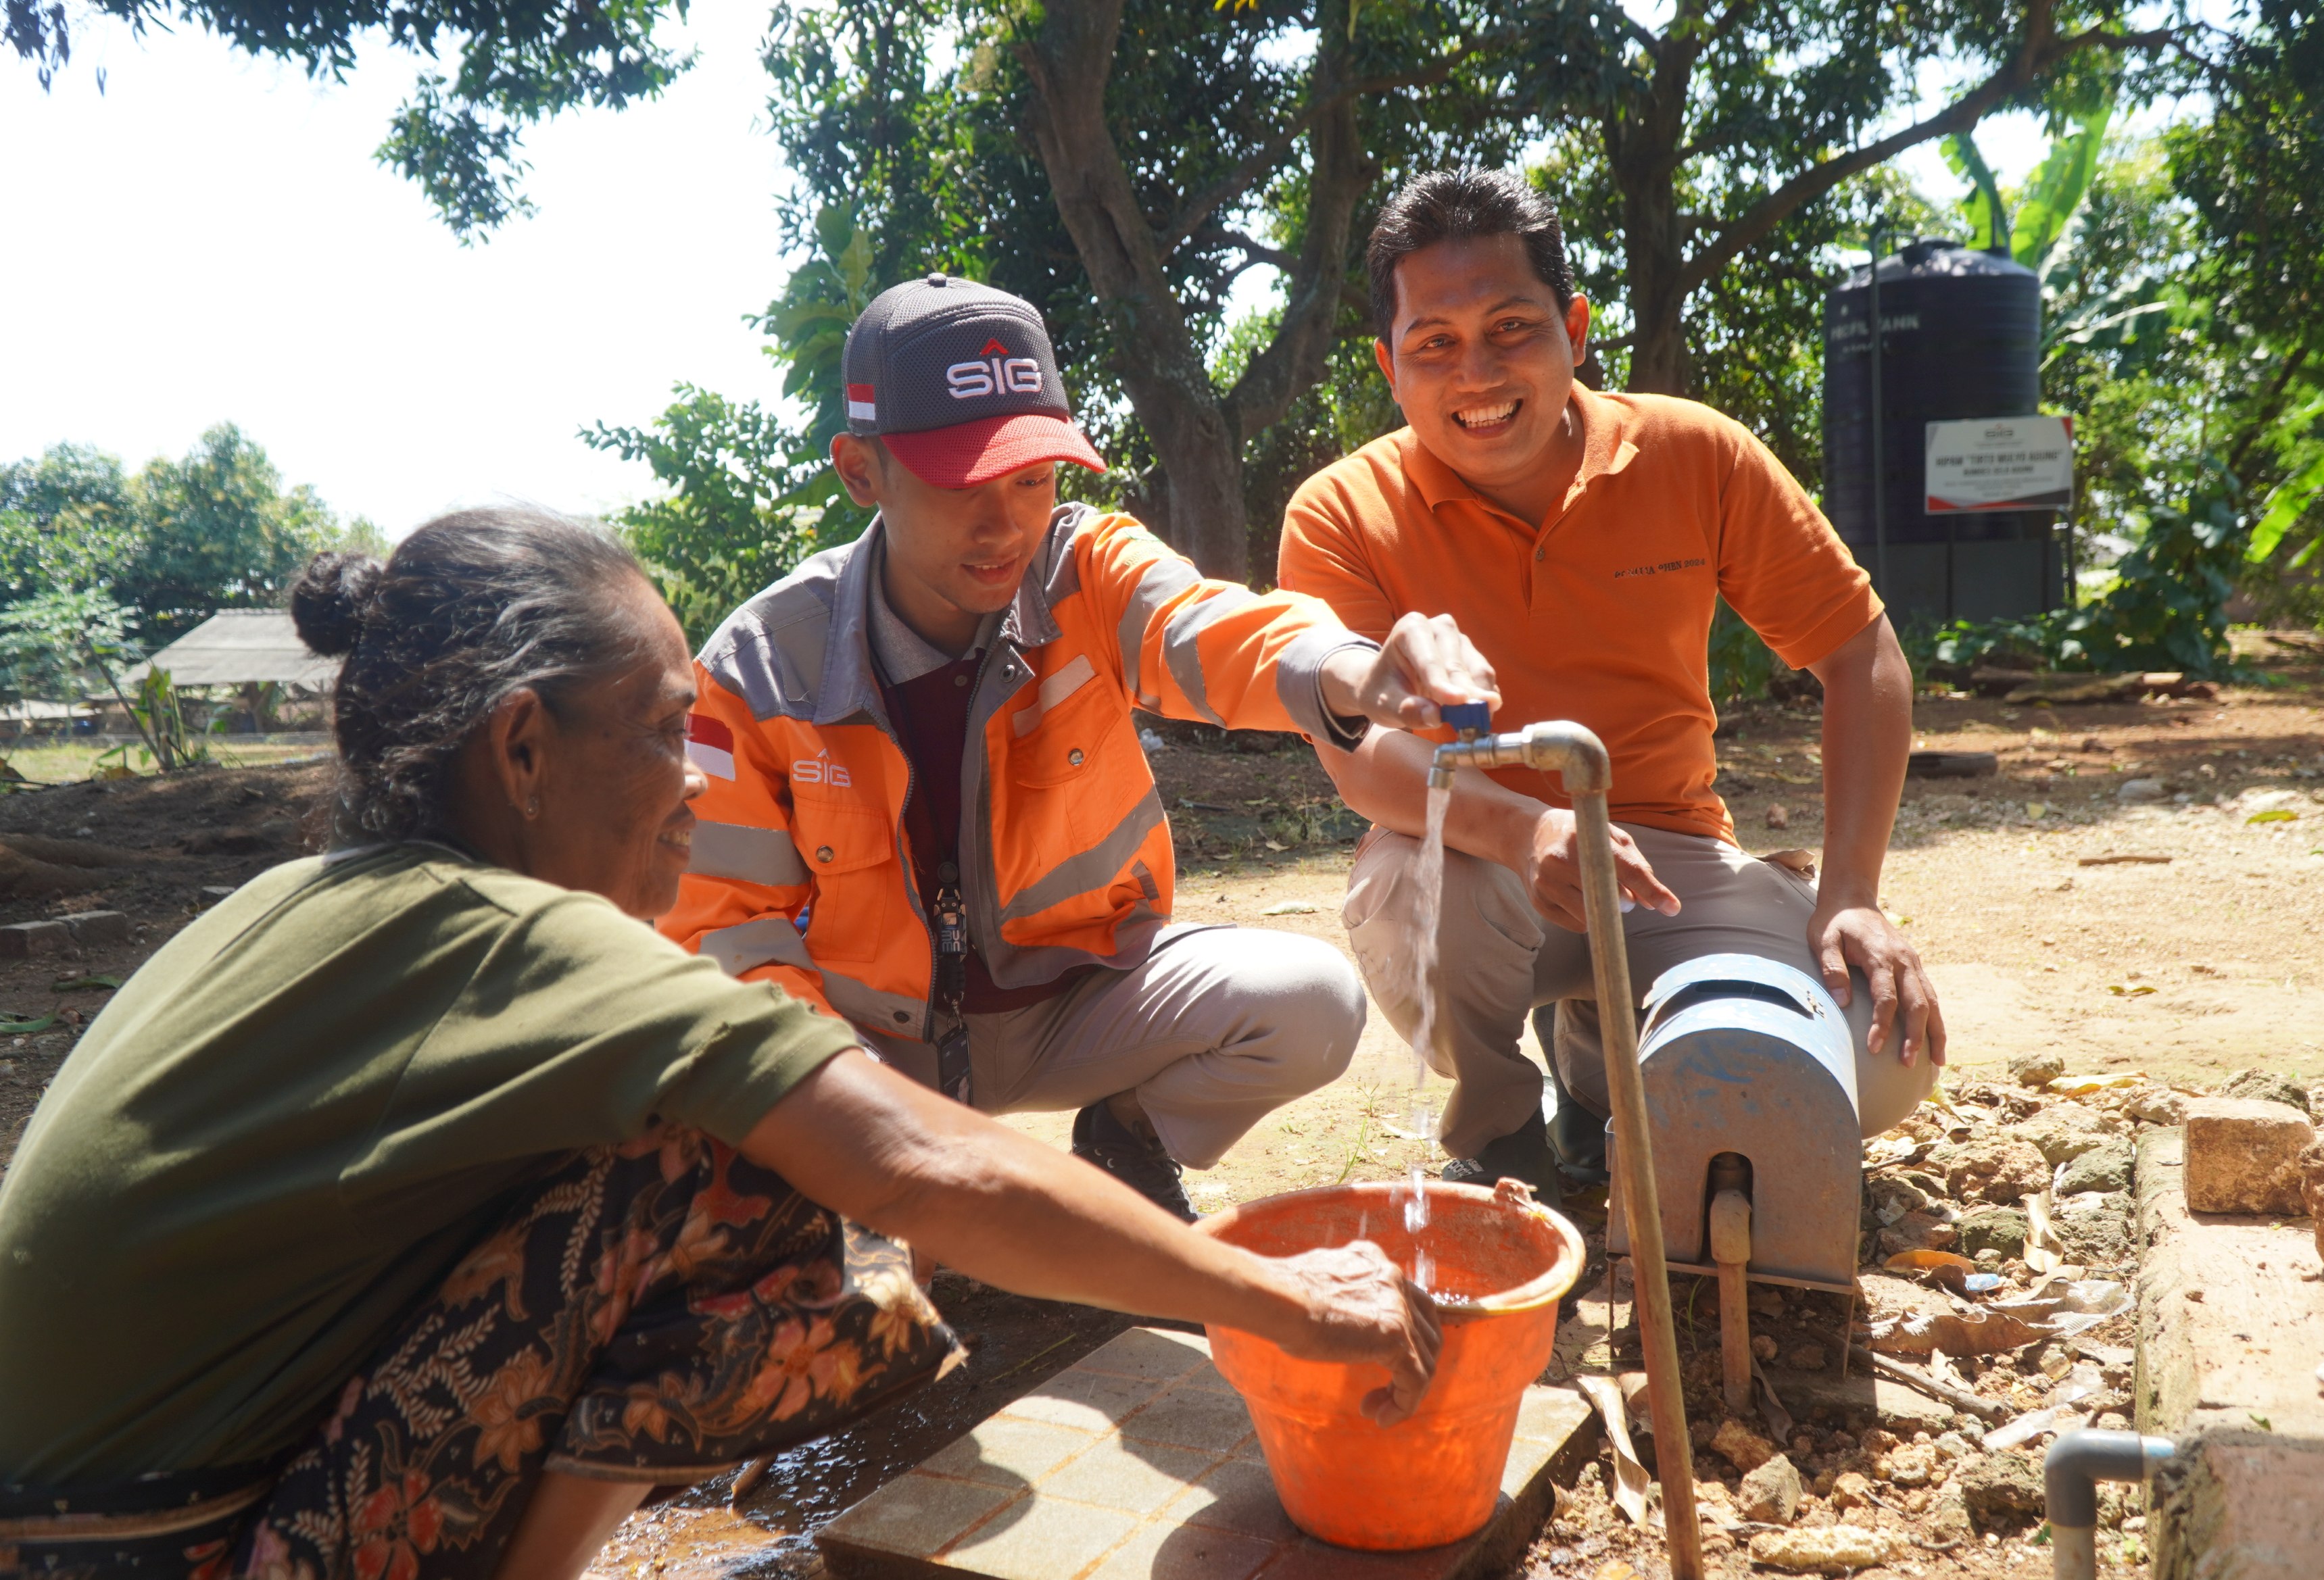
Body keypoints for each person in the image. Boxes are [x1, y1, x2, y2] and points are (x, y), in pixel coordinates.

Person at [0, 510, 1441, 1580]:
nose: (695, 780)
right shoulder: (511, 939)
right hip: (162, 1547)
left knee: (687, 1136)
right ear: (519, 749)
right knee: (752, 1163)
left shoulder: (297, 905)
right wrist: (1270, 1297)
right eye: (660, 730)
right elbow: (911, 1159)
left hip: (97, 1513)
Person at [658, 272, 1496, 1221]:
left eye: (1032, 479)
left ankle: (1125, 1138)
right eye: (958, 482)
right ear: (862, 472)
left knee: (1311, 1002)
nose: (1005, 523)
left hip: (1077, 1004)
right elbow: (732, 939)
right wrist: (872, 1130)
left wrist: (1350, 667)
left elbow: (1210, 623)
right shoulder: (758, 672)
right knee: (741, 1159)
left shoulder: (1082, 567)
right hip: (871, 1041)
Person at [1277, 169, 1945, 1199]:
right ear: (1389, 366)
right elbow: (1360, 758)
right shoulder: (1338, 513)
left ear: (1575, 328)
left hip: (1673, 860)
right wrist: (1521, 831)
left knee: (1879, 1058)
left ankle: (1601, 1077)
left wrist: (1850, 896)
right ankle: (1502, 1135)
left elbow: (1862, 655)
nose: (1478, 372)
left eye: (1511, 327)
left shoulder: (1694, 454)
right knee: (1415, 890)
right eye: (1435, 343)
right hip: (1471, 853)